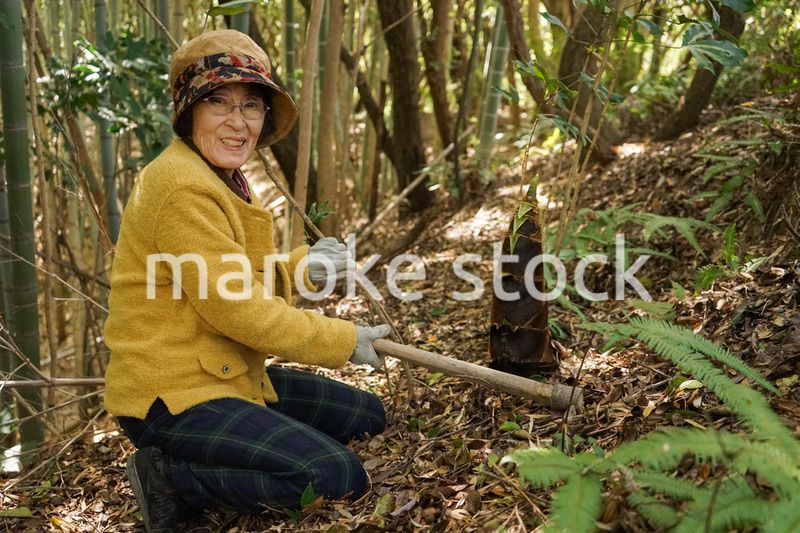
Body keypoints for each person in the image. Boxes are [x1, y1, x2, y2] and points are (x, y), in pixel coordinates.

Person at [103, 29, 391, 532]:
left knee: (366, 414)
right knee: (333, 474)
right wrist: (340, 339)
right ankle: (170, 478)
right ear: (189, 111)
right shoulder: (180, 187)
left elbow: (237, 278)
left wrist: (302, 267)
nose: (238, 122)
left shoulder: (220, 176)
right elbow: (238, 309)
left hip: (224, 371)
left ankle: (255, 443)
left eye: (252, 105)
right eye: (219, 102)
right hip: (172, 393)